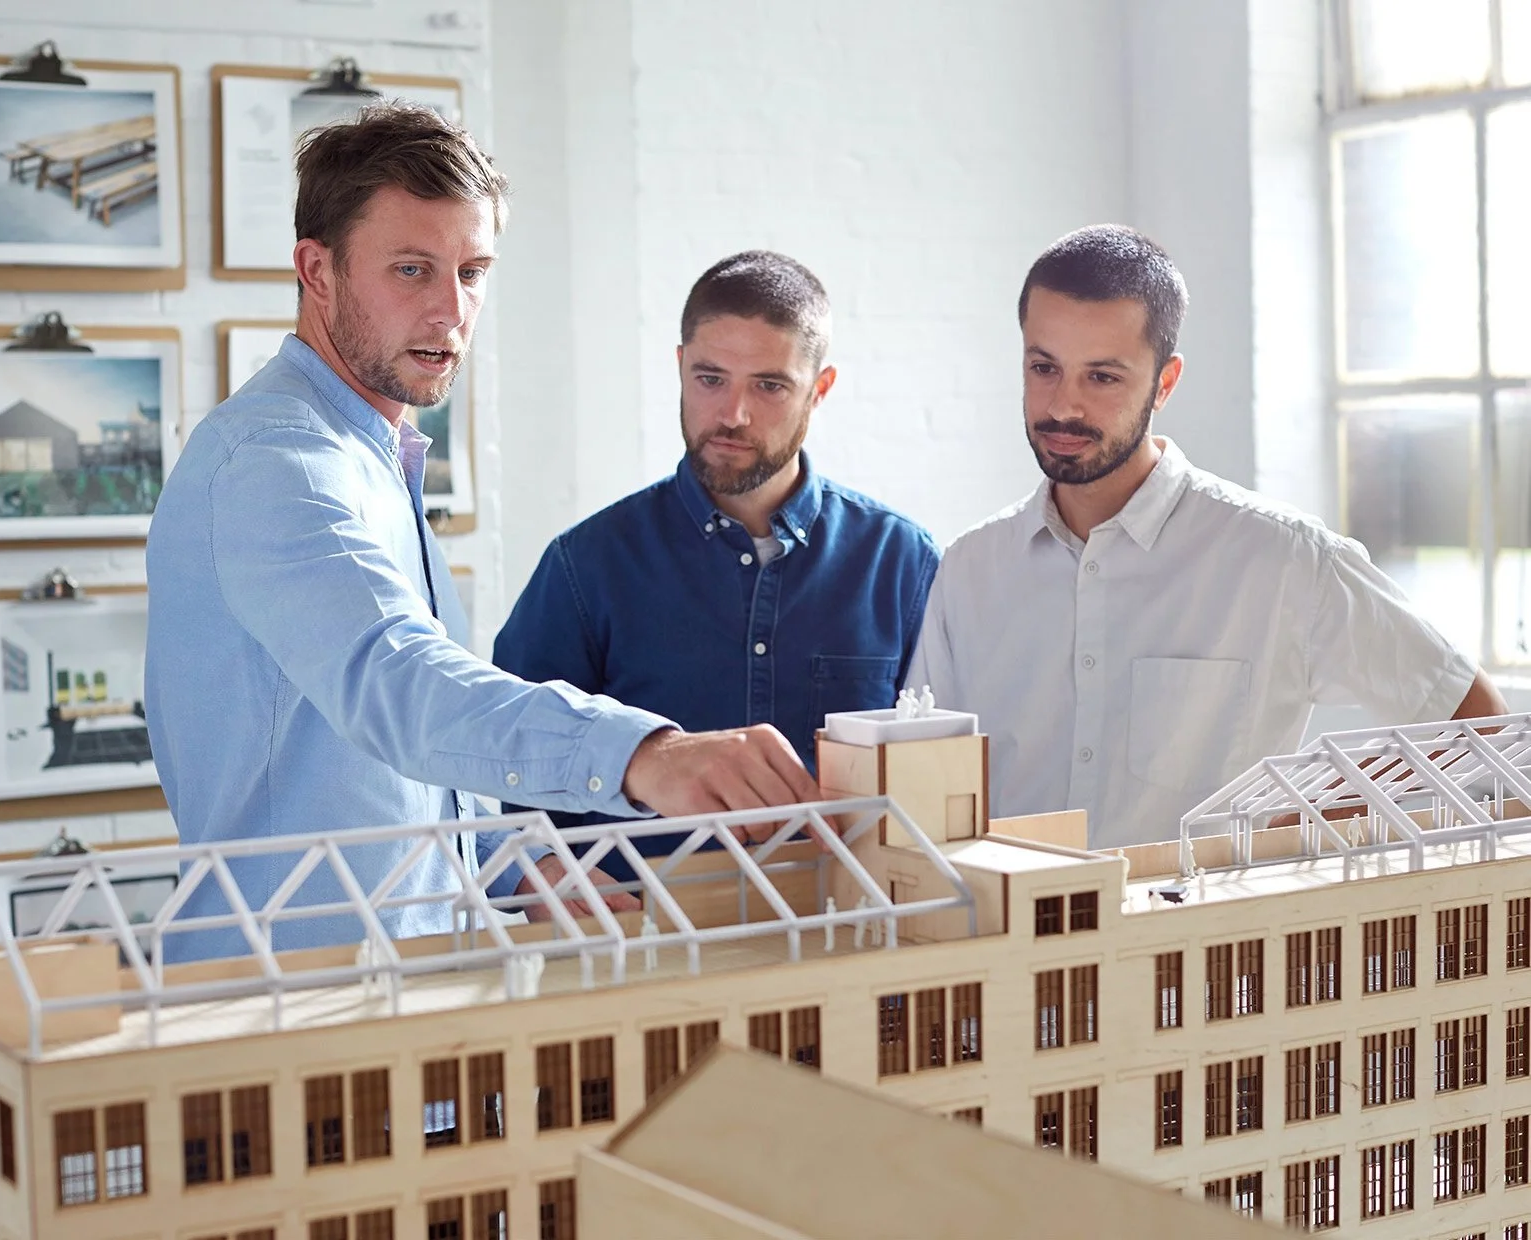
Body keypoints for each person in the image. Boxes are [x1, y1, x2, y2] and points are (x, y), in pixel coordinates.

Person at [145, 104, 819, 959]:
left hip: (399, 983)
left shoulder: (371, 455)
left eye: (471, 272)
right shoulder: (278, 464)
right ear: (318, 270)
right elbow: (400, 684)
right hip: (292, 998)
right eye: (412, 270)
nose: (449, 311)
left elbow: (392, 772)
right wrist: (646, 757)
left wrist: (518, 862)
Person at [908, 224, 1506, 849]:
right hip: (1010, 913)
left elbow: (1478, 722)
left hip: (1203, 913)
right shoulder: (970, 568)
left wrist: (1315, 812)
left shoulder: (1283, 560)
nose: (1064, 406)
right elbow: (925, 789)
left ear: (1164, 384)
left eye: (1102, 377)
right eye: (1044, 368)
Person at [494, 251, 940, 879]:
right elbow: (508, 755)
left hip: (846, 926)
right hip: (638, 931)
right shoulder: (585, 566)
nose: (733, 415)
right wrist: (541, 867)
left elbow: (942, 772)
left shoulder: (902, 565)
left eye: (769, 386)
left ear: (820, 389)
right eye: (710, 379)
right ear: (680, 366)